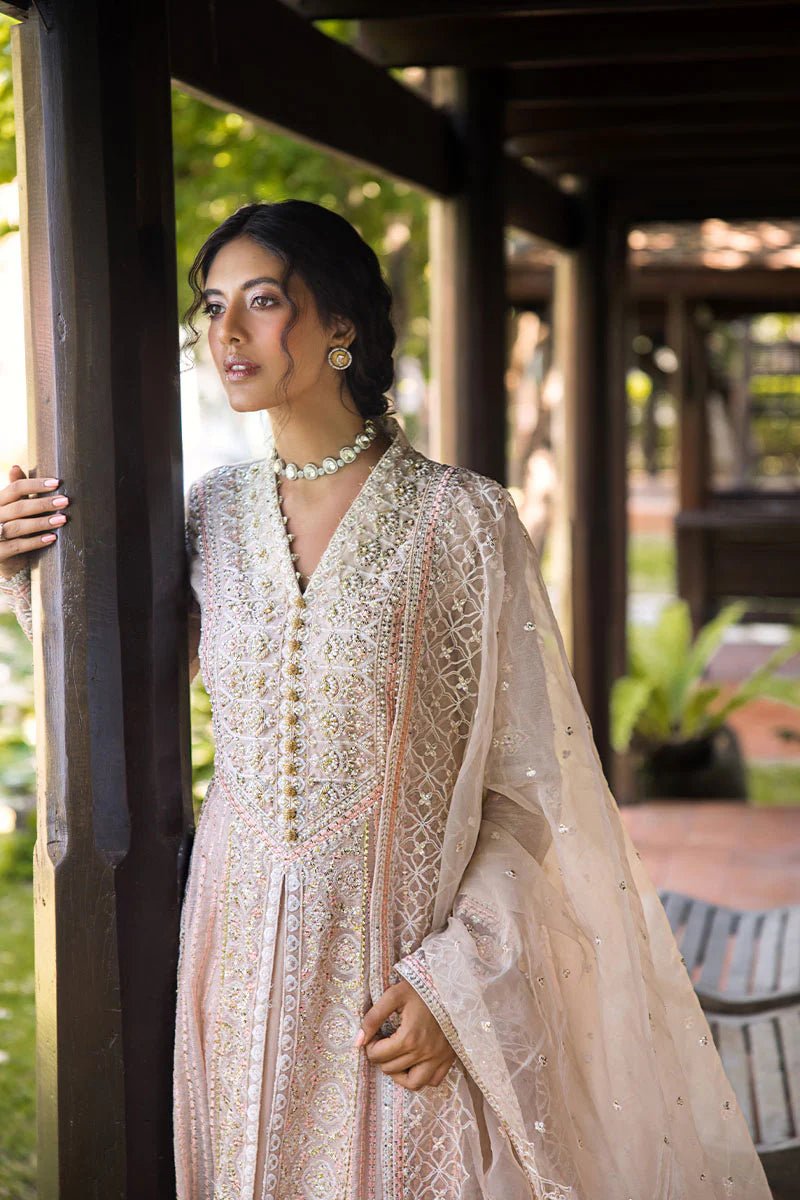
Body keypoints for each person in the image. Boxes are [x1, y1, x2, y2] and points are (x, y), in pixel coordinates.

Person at [0, 200, 773, 1200]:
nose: (225, 333)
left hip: (395, 984)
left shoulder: (462, 522)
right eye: (212, 305)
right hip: (235, 969)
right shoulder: (209, 518)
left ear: (342, 327)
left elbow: (528, 789)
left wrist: (458, 981)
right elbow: (118, 690)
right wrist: (24, 568)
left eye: (263, 301)